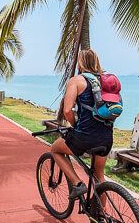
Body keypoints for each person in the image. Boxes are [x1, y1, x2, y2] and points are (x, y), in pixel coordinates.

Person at [51, 48, 120, 200]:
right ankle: (102, 218)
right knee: (99, 176)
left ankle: (77, 184)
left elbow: (68, 110)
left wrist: (75, 124)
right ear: (97, 61)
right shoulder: (107, 82)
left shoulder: (76, 81)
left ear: (80, 63)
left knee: (55, 149)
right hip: (106, 137)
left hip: (85, 136)